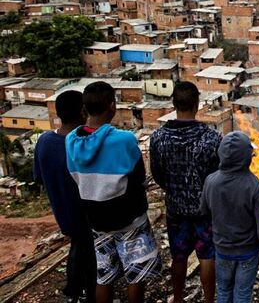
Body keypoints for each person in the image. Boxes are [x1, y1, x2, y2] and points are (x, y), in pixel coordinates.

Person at [66, 81, 162, 303]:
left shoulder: (71, 141)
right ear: (112, 106)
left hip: (96, 220)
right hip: (129, 219)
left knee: (104, 276)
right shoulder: (124, 140)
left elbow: (74, 177)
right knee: (135, 275)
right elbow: (138, 178)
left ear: (85, 108)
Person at [150, 81, 220, 303]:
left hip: (176, 209)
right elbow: (216, 175)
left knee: (178, 256)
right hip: (204, 209)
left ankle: (178, 298)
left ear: (174, 104)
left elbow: (157, 173)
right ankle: (209, 299)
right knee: (207, 256)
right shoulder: (211, 138)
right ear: (197, 104)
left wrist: (172, 190)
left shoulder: (159, 138)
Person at [33, 90, 96, 302]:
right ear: (82, 111)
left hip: (63, 212)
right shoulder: (83, 145)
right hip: (87, 214)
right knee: (91, 255)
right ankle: (87, 293)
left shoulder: (44, 142)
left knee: (79, 247)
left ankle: (73, 290)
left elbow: (39, 178)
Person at [201, 131, 259, 303]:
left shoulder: (210, 181)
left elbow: (203, 211)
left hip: (222, 250)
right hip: (248, 252)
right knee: (242, 292)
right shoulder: (254, 186)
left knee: (224, 291)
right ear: (248, 156)